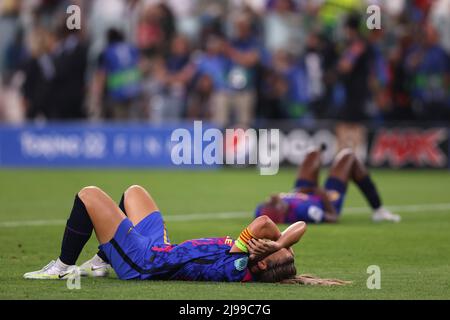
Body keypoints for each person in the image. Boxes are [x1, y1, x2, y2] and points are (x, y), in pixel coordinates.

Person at [23, 185, 348, 285]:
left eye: (273, 252)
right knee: (134, 192)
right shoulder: (250, 254)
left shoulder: (236, 265)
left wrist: (273, 243)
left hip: (143, 263)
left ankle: (64, 266)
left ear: (261, 264)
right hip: (161, 248)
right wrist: (279, 246)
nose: (271, 242)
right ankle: (101, 260)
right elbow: (298, 229)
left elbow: (264, 221)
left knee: (89, 195)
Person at [255, 148, 401, 224]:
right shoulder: (306, 211)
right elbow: (333, 217)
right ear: (281, 213)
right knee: (348, 156)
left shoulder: (261, 211)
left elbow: (270, 205)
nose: (271, 200)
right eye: (274, 204)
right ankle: (379, 210)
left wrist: (297, 193)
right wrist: (322, 194)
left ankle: (320, 154)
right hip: (326, 200)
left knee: (313, 154)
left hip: (303, 192)